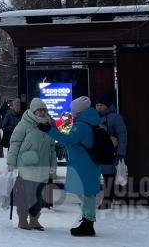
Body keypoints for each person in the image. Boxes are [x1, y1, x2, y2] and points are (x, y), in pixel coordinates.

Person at [37, 96, 101, 237]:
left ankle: (88, 223)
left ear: (79, 111)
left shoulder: (82, 126)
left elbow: (68, 139)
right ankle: (87, 220)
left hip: (84, 165)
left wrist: (49, 130)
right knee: (85, 192)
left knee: (87, 193)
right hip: (86, 164)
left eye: (73, 110)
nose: (72, 113)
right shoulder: (88, 122)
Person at [6, 98, 57, 231]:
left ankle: (34, 219)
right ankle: (22, 219)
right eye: (39, 110)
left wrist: (53, 165)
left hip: (42, 167)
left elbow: (52, 148)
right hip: (25, 167)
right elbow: (15, 143)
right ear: (33, 111)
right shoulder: (24, 124)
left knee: (37, 195)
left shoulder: (48, 126)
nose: (41, 113)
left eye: (43, 110)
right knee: (24, 194)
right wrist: (11, 162)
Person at [95, 96, 128, 210]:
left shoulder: (115, 118)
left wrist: (120, 153)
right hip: (101, 151)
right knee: (106, 176)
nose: (99, 107)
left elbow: (122, 135)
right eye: (97, 105)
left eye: (102, 105)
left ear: (107, 106)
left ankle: (107, 200)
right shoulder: (96, 117)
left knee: (109, 176)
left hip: (110, 152)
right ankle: (108, 198)